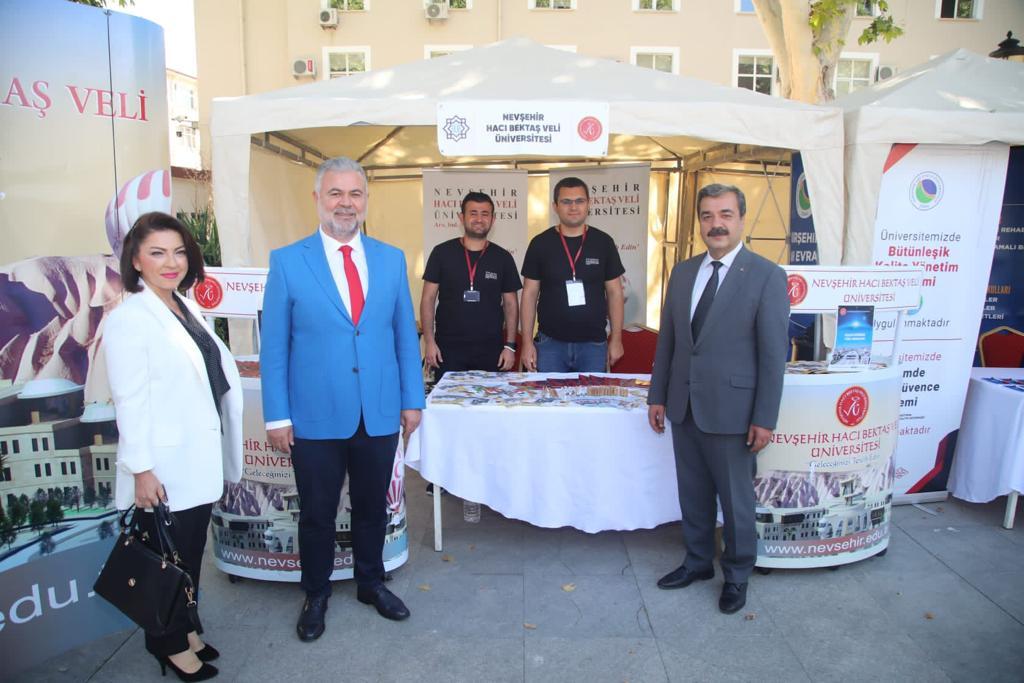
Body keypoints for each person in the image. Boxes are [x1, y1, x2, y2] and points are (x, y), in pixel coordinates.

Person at [260, 157, 424, 642]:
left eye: (355, 194)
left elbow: (404, 336)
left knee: (373, 508)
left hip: (377, 411)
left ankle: (371, 583)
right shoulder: (288, 261)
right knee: (317, 513)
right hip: (313, 416)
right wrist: (276, 416)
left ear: (366, 200)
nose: (345, 203)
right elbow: (275, 347)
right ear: (317, 198)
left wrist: (412, 399)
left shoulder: (391, 259)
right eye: (335, 193)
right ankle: (316, 594)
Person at [104, 211, 243, 681]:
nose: (172, 262)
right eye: (158, 253)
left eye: (179, 251)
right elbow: (129, 401)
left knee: (187, 553)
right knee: (167, 558)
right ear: (136, 261)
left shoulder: (184, 306)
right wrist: (141, 470)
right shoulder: (129, 319)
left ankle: (186, 629)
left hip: (196, 459)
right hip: (164, 468)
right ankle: (167, 644)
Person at [647, 184, 789, 615]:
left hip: (734, 411)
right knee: (692, 493)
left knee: (735, 500)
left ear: (741, 218)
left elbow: (773, 356)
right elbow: (670, 341)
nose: (716, 224)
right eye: (707, 216)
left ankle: (738, 573)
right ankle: (697, 562)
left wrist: (765, 417)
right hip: (684, 404)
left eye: (725, 214)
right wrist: (657, 394)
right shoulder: (684, 272)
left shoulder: (766, 276)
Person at [519, 176, 625, 373]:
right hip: (550, 345)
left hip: (593, 345)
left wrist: (617, 339)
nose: (573, 207)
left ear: (589, 204)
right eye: (566, 201)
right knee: (549, 394)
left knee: (592, 395)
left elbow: (615, 293)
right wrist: (526, 343)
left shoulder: (603, 243)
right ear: (555, 206)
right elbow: (529, 294)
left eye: (579, 201)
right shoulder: (540, 244)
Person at [421, 191, 522, 381]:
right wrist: (429, 342)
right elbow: (428, 299)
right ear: (461, 217)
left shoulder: (502, 258)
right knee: (449, 399)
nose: (479, 219)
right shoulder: (442, 253)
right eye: (473, 213)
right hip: (448, 350)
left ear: (493, 219)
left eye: (485, 214)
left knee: (490, 399)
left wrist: (509, 346)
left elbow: (511, 304)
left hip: (491, 351)